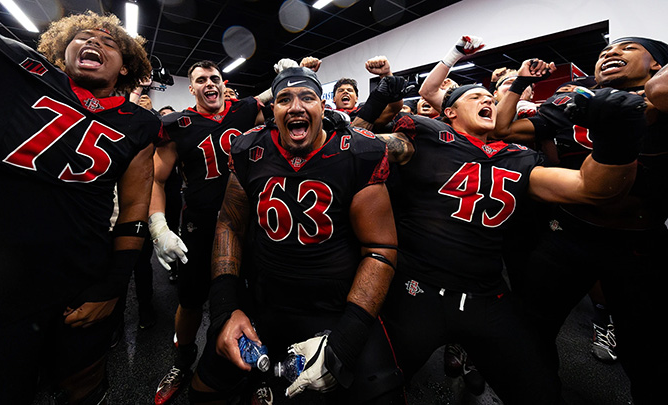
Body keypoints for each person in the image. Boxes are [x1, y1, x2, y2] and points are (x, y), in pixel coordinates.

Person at [360, 39, 644, 402]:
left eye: (491, 99)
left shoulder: (518, 157)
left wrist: (618, 140)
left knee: (539, 390)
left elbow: (591, 190)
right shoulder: (426, 136)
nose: (488, 101)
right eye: (476, 97)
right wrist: (376, 98)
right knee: (372, 388)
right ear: (449, 112)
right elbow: (356, 144)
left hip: (486, 294)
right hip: (417, 288)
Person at [0, 9, 160, 404]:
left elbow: (133, 207)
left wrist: (113, 286)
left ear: (126, 67)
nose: (95, 41)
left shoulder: (138, 123)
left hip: (78, 276)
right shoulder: (13, 71)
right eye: (82, 37)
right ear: (62, 50)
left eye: (110, 42)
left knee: (82, 376)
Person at [188, 67, 404, 404]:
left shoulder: (358, 152)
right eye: (284, 99)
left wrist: (348, 335)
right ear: (273, 111)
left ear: (323, 106)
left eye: (307, 97)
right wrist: (224, 310)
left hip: (336, 305)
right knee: (204, 389)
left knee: (382, 394)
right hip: (265, 301)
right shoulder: (249, 149)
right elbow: (230, 224)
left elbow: (379, 248)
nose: (295, 106)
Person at [494, 36, 668, 403]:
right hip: (568, 233)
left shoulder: (661, 93)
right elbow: (504, 129)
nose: (610, 53)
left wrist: (641, 96)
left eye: (628, 48)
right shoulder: (574, 94)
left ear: (657, 63)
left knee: (647, 351)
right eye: (605, 51)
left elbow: (661, 91)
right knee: (531, 329)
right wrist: (522, 82)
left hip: (638, 244)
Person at [149, 59, 264, 405]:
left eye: (214, 78)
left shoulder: (246, 110)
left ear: (223, 83)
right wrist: (158, 225)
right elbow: (156, 178)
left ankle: (256, 368)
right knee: (190, 299)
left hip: (246, 222)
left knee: (251, 297)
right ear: (193, 88)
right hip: (200, 224)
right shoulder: (178, 124)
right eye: (201, 80)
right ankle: (182, 362)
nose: (209, 84)